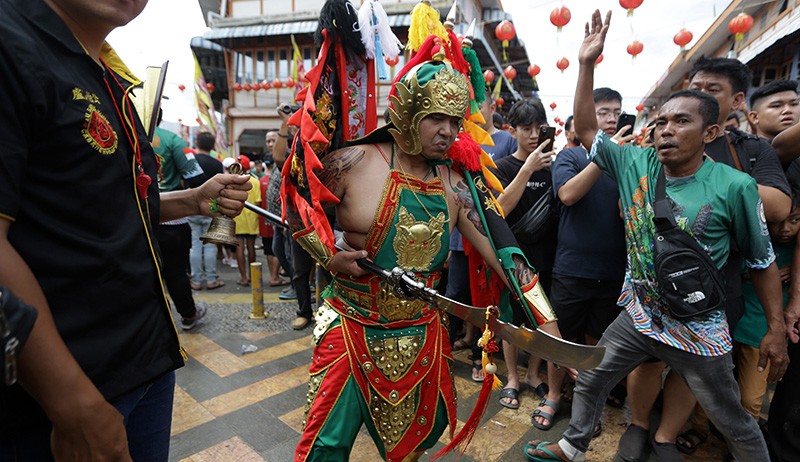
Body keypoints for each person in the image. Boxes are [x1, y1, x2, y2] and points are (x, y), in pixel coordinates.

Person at [526, 11, 788, 462]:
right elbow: (588, 130)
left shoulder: (735, 186)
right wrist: (586, 64)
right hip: (640, 316)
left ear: (711, 133)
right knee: (590, 377)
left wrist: (777, 329)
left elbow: (761, 261)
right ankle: (573, 445)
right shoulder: (635, 164)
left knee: (730, 416)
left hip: (700, 329)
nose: (666, 129)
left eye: (681, 122)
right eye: (662, 121)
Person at [0, 0, 250, 459]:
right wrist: (70, 401)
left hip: (145, 365)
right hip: (62, 398)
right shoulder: (11, 43)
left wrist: (194, 200)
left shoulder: (107, 73)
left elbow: (114, 204)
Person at [287, 47, 565, 460]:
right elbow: (297, 202)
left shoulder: (457, 185)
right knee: (324, 444)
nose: (448, 131)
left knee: (413, 446)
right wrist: (329, 256)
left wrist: (551, 329)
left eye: (455, 121)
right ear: (408, 113)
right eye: (437, 117)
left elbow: (506, 254)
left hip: (422, 330)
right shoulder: (352, 162)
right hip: (351, 324)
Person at [628, 53, 793, 457]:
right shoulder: (657, 148)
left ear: (736, 103)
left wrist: (718, 186)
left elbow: (777, 208)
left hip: (719, 286)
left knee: (694, 366)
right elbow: (633, 201)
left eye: (710, 90)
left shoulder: (750, 151)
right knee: (647, 359)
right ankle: (636, 425)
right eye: (694, 87)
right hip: (653, 282)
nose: (696, 95)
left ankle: (666, 435)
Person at [537, 87, 628, 432]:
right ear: (584, 121)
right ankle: (555, 395)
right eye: (603, 112)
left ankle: (587, 400)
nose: (610, 118)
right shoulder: (572, 157)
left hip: (614, 270)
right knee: (562, 340)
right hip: (573, 268)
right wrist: (604, 155)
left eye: (616, 112)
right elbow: (568, 194)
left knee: (597, 343)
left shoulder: (626, 159)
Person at [490, 98, 557, 412]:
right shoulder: (501, 168)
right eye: (526, 128)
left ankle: (533, 374)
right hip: (514, 256)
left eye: (537, 128)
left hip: (549, 254)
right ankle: (513, 378)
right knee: (512, 320)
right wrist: (528, 168)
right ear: (511, 130)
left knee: (544, 317)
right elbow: (500, 209)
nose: (533, 135)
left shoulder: (556, 168)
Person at [152, 119, 209, 330]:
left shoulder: (121, 132)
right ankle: (188, 315)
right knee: (175, 272)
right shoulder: (173, 140)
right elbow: (196, 177)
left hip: (132, 219)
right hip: (171, 220)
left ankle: (154, 322)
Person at [188, 131, 225, 291]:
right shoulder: (217, 164)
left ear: (197, 143)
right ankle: (211, 280)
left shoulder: (190, 161)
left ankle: (196, 280)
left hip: (192, 206)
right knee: (210, 245)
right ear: (213, 145)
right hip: (212, 207)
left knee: (195, 245)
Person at [232, 155, 261, 286]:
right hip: (251, 219)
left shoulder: (232, 182)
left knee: (239, 248)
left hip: (237, 219)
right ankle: (252, 276)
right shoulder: (255, 181)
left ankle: (243, 278)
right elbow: (258, 203)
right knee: (251, 248)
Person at [479, 91, 517, 160]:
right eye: (470, 109)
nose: (473, 114)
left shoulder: (509, 140)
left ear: (492, 109)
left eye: (479, 108)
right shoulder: (460, 141)